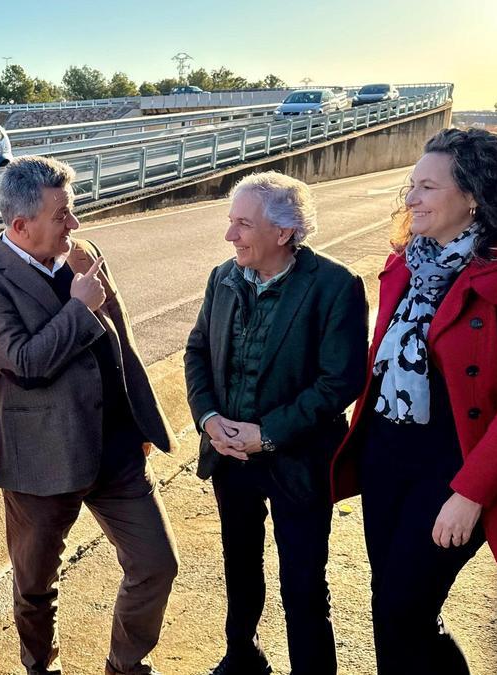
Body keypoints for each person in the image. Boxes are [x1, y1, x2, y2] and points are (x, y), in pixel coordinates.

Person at [330, 128, 497, 674]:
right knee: (392, 606)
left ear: (473, 195)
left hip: (455, 467)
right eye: (411, 185)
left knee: (403, 607)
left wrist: (470, 493)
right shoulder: (405, 263)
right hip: (386, 457)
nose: (410, 199)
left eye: (427, 187)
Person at [0, 155, 179, 675]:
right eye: (62, 215)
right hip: (42, 461)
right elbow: (26, 364)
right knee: (35, 585)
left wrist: (138, 420)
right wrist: (78, 308)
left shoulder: (85, 255)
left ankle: (126, 667)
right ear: (20, 225)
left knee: (155, 565)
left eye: (72, 210)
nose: (74, 225)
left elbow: (120, 344)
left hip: (117, 452)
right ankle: (42, 668)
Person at [184, 171, 369, 675]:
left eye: (242, 224)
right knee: (240, 568)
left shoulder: (335, 285)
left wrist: (267, 433)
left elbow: (340, 382)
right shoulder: (223, 277)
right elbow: (198, 349)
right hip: (230, 456)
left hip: (299, 460)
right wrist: (208, 417)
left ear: (284, 233)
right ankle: (243, 656)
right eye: (231, 222)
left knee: (304, 585)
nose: (230, 236)